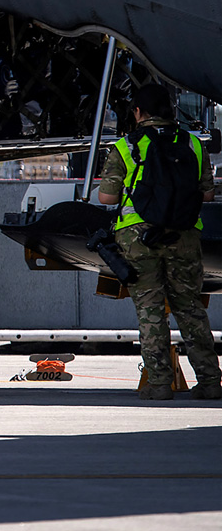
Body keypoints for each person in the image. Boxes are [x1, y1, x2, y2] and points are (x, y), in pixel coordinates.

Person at [96, 83, 220, 400]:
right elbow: (207, 193)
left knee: (150, 311)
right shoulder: (193, 144)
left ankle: (160, 383)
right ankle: (209, 382)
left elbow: (107, 196)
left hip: (138, 239)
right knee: (190, 308)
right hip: (184, 235)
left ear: (138, 112)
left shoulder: (126, 147)